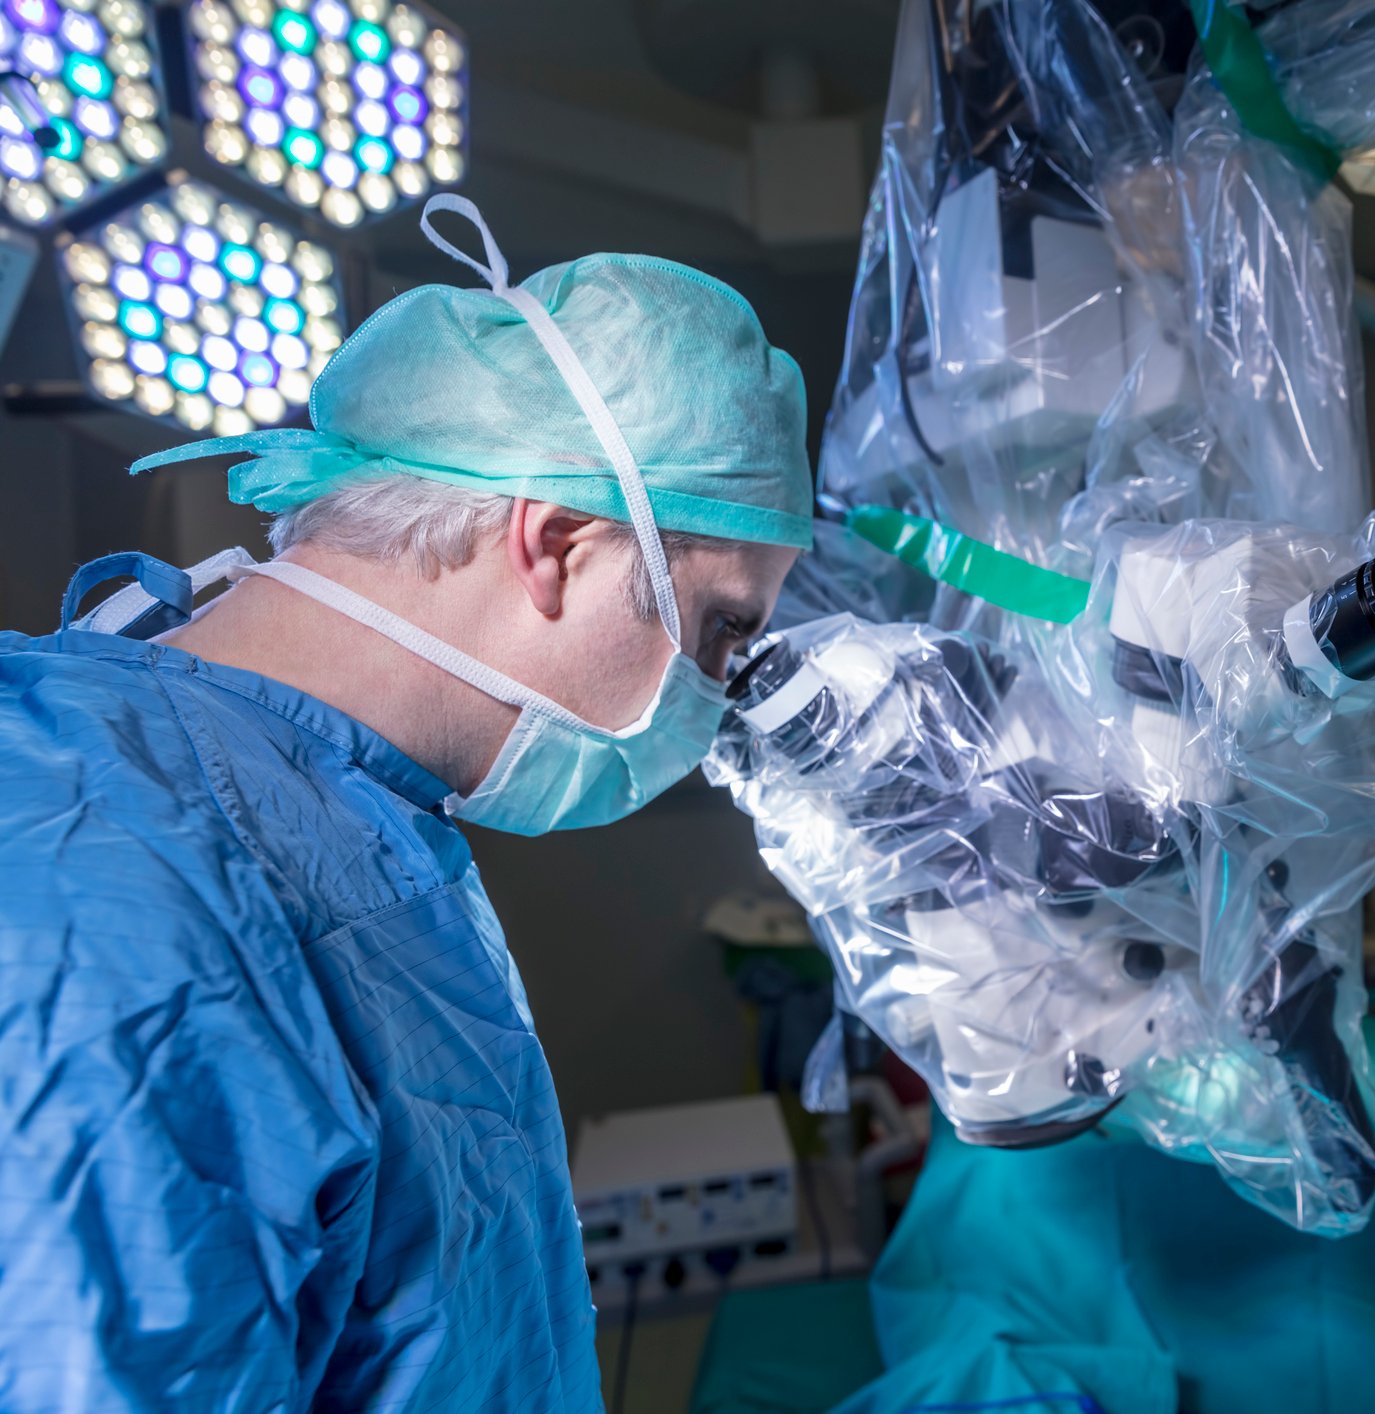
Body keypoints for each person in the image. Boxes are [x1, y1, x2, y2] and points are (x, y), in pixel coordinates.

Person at [0, 198, 810, 1408]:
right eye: (722, 626)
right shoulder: (112, 886)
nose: (723, 691)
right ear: (559, 545)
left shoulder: (340, 821)